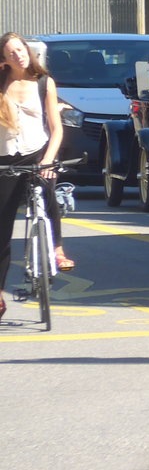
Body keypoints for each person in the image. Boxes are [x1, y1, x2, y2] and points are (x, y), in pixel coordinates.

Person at [0, 33, 73, 321]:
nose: (18, 55)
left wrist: (48, 159)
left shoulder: (44, 83)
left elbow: (56, 129)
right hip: (5, 158)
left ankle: (56, 249)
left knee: (47, 188)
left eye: (20, 49)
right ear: (3, 59)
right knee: (2, 230)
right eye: (10, 52)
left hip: (37, 153)